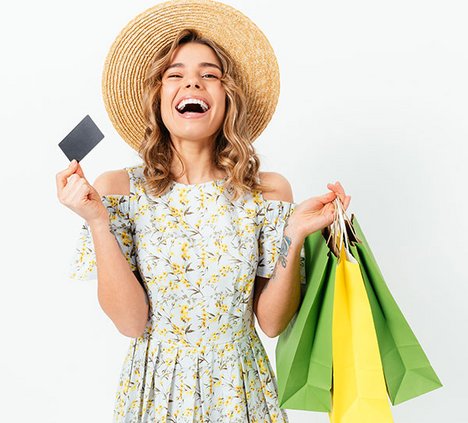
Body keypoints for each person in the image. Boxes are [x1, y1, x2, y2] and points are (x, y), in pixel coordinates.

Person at [56, 1, 350, 421]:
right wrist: (98, 222)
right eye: (175, 75)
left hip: (241, 392)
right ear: (158, 98)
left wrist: (295, 236)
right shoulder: (118, 190)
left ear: (227, 98)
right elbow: (131, 323)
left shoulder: (267, 191)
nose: (192, 84)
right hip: (156, 394)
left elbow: (270, 323)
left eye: (209, 75)